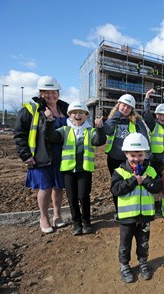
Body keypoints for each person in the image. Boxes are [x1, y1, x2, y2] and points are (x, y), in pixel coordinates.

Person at [14, 76, 69, 234]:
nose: (51, 95)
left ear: (58, 92)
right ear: (40, 93)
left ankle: (57, 215)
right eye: (47, 92)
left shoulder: (65, 108)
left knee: (58, 187)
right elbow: (20, 134)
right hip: (42, 155)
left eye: (54, 92)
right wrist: (25, 155)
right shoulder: (31, 110)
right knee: (45, 188)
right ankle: (43, 217)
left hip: (62, 155)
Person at [44, 101, 106, 235]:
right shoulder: (64, 130)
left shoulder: (91, 131)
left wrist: (100, 128)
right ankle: (76, 224)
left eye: (80, 113)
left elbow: (99, 141)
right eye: (74, 113)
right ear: (70, 115)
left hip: (84, 170)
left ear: (86, 115)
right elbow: (50, 137)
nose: (77, 115)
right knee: (71, 198)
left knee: (83, 197)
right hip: (68, 170)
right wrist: (49, 121)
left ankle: (86, 223)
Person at [110, 133, 162, 283]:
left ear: (145, 153)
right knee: (125, 244)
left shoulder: (150, 171)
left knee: (143, 242)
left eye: (140, 155)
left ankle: (143, 262)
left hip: (144, 216)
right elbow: (116, 190)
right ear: (126, 154)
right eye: (132, 155)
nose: (137, 158)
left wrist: (145, 181)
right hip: (127, 218)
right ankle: (124, 265)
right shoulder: (120, 172)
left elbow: (157, 186)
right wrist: (133, 180)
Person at [104, 94, 150, 221]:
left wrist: (147, 156)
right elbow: (107, 130)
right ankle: (119, 211)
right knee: (117, 184)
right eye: (124, 105)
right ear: (119, 104)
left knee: (133, 182)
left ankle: (133, 209)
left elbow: (144, 137)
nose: (125, 108)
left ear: (132, 109)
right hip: (113, 159)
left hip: (130, 160)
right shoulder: (113, 118)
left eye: (129, 107)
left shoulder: (137, 121)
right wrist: (117, 115)